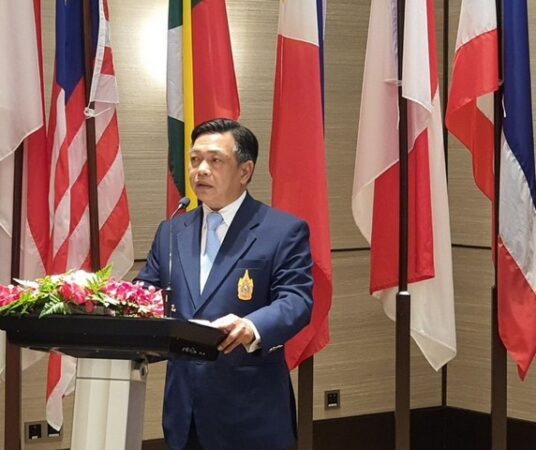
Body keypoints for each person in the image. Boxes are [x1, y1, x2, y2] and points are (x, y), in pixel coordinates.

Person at [135, 118, 313, 450]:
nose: (200, 170)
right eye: (195, 160)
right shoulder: (172, 231)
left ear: (245, 171)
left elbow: (296, 300)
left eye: (214, 160)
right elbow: (145, 294)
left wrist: (251, 326)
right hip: (184, 414)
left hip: (251, 415)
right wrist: (103, 300)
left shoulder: (281, 231)